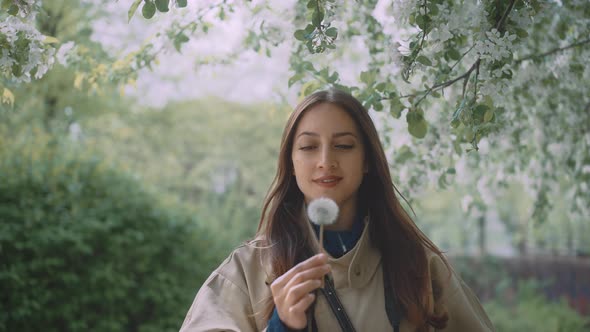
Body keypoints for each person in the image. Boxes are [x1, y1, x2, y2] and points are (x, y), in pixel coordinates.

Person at [179, 89, 495, 331]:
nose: (326, 161)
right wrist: (281, 326)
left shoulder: (419, 266)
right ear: (290, 162)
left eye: (343, 145)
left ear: (368, 159)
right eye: (308, 147)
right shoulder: (247, 271)